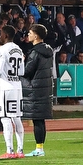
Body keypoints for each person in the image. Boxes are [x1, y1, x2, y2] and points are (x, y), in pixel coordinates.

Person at [0, 25, 25, 159]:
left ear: (5, 35)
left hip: (6, 88)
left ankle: (10, 151)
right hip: (17, 87)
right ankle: (20, 150)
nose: (0, 36)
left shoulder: (2, 50)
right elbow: (21, 71)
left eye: (1, 34)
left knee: (5, 118)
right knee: (17, 118)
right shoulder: (18, 49)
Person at [22, 23, 54, 157]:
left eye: (30, 33)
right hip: (45, 89)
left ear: (36, 35)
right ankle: (39, 147)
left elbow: (27, 71)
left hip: (35, 89)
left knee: (37, 120)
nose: (28, 35)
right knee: (40, 120)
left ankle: (39, 150)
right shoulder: (48, 51)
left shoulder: (35, 52)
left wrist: (22, 63)